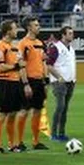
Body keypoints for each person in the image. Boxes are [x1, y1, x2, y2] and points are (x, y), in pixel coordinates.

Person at [17, 16, 49, 151]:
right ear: (29, 27)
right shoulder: (23, 44)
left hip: (39, 81)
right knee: (24, 111)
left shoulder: (40, 43)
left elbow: (43, 62)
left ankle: (36, 141)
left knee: (37, 110)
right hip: (28, 80)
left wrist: (45, 80)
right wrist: (25, 84)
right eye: (36, 25)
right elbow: (21, 65)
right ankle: (18, 142)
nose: (39, 27)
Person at [0, 20, 22, 154]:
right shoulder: (0, 46)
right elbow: (0, 66)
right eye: (15, 29)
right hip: (5, 82)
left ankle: (12, 144)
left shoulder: (15, 47)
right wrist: (15, 67)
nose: (17, 31)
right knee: (2, 113)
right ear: (8, 31)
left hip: (16, 82)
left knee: (13, 114)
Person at [47, 25, 76, 142]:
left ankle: (61, 133)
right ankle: (53, 133)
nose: (72, 35)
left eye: (72, 33)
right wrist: (58, 77)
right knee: (60, 107)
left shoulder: (71, 49)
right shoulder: (56, 48)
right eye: (69, 33)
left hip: (70, 81)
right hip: (59, 82)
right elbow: (48, 65)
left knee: (65, 108)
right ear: (63, 35)